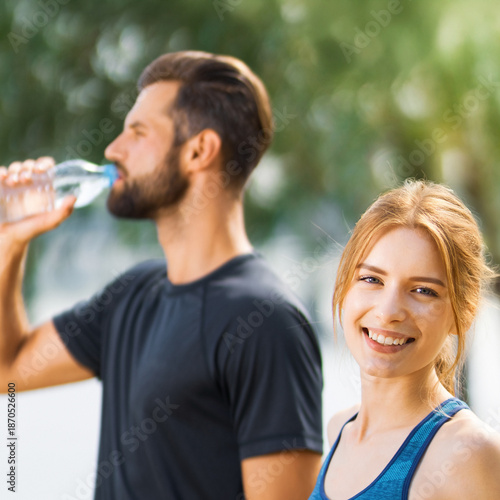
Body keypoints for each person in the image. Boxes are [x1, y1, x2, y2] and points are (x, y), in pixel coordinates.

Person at [0, 51, 323, 500]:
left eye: (138, 132)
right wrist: (10, 242)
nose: (113, 149)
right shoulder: (130, 295)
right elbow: (8, 370)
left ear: (198, 151)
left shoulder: (266, 322)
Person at [309, 179, 500, 499]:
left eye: (423, 290)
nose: (388, 312)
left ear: (462, 313)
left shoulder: (470, 455)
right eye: (372, 279)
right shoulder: (339, 429)